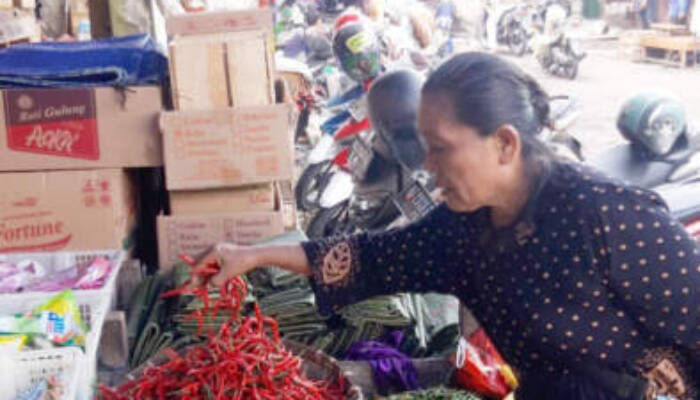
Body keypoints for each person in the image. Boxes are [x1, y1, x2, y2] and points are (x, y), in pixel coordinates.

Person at [196, 53, 699, 400]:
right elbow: (371, 257)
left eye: (440, 147)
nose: (427, 165)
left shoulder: (605, 215)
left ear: (504, 144)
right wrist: (253, 255)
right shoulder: (461, 228)